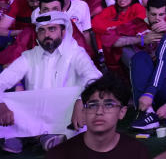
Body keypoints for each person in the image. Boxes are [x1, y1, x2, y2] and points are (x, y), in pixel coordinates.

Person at [0, 11, 102, 152]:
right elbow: (2, 81)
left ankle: (37, 137)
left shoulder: (76, 53)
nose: (46, 35)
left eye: (52, 29)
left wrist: (80, 101)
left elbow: (95, 78)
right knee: (7, 98)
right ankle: (30, 136)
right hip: (34, 114)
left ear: (63, 32)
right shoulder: (29, 56)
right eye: (41, 30)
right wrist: (1, 104)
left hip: (68, 115)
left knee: (88, 96)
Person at [44, 73, 152, 159]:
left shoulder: (136, 152)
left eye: (109, 105)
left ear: (122, 112)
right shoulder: (59, 155)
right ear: (84, 111)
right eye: (93, 105)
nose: (99, 111)